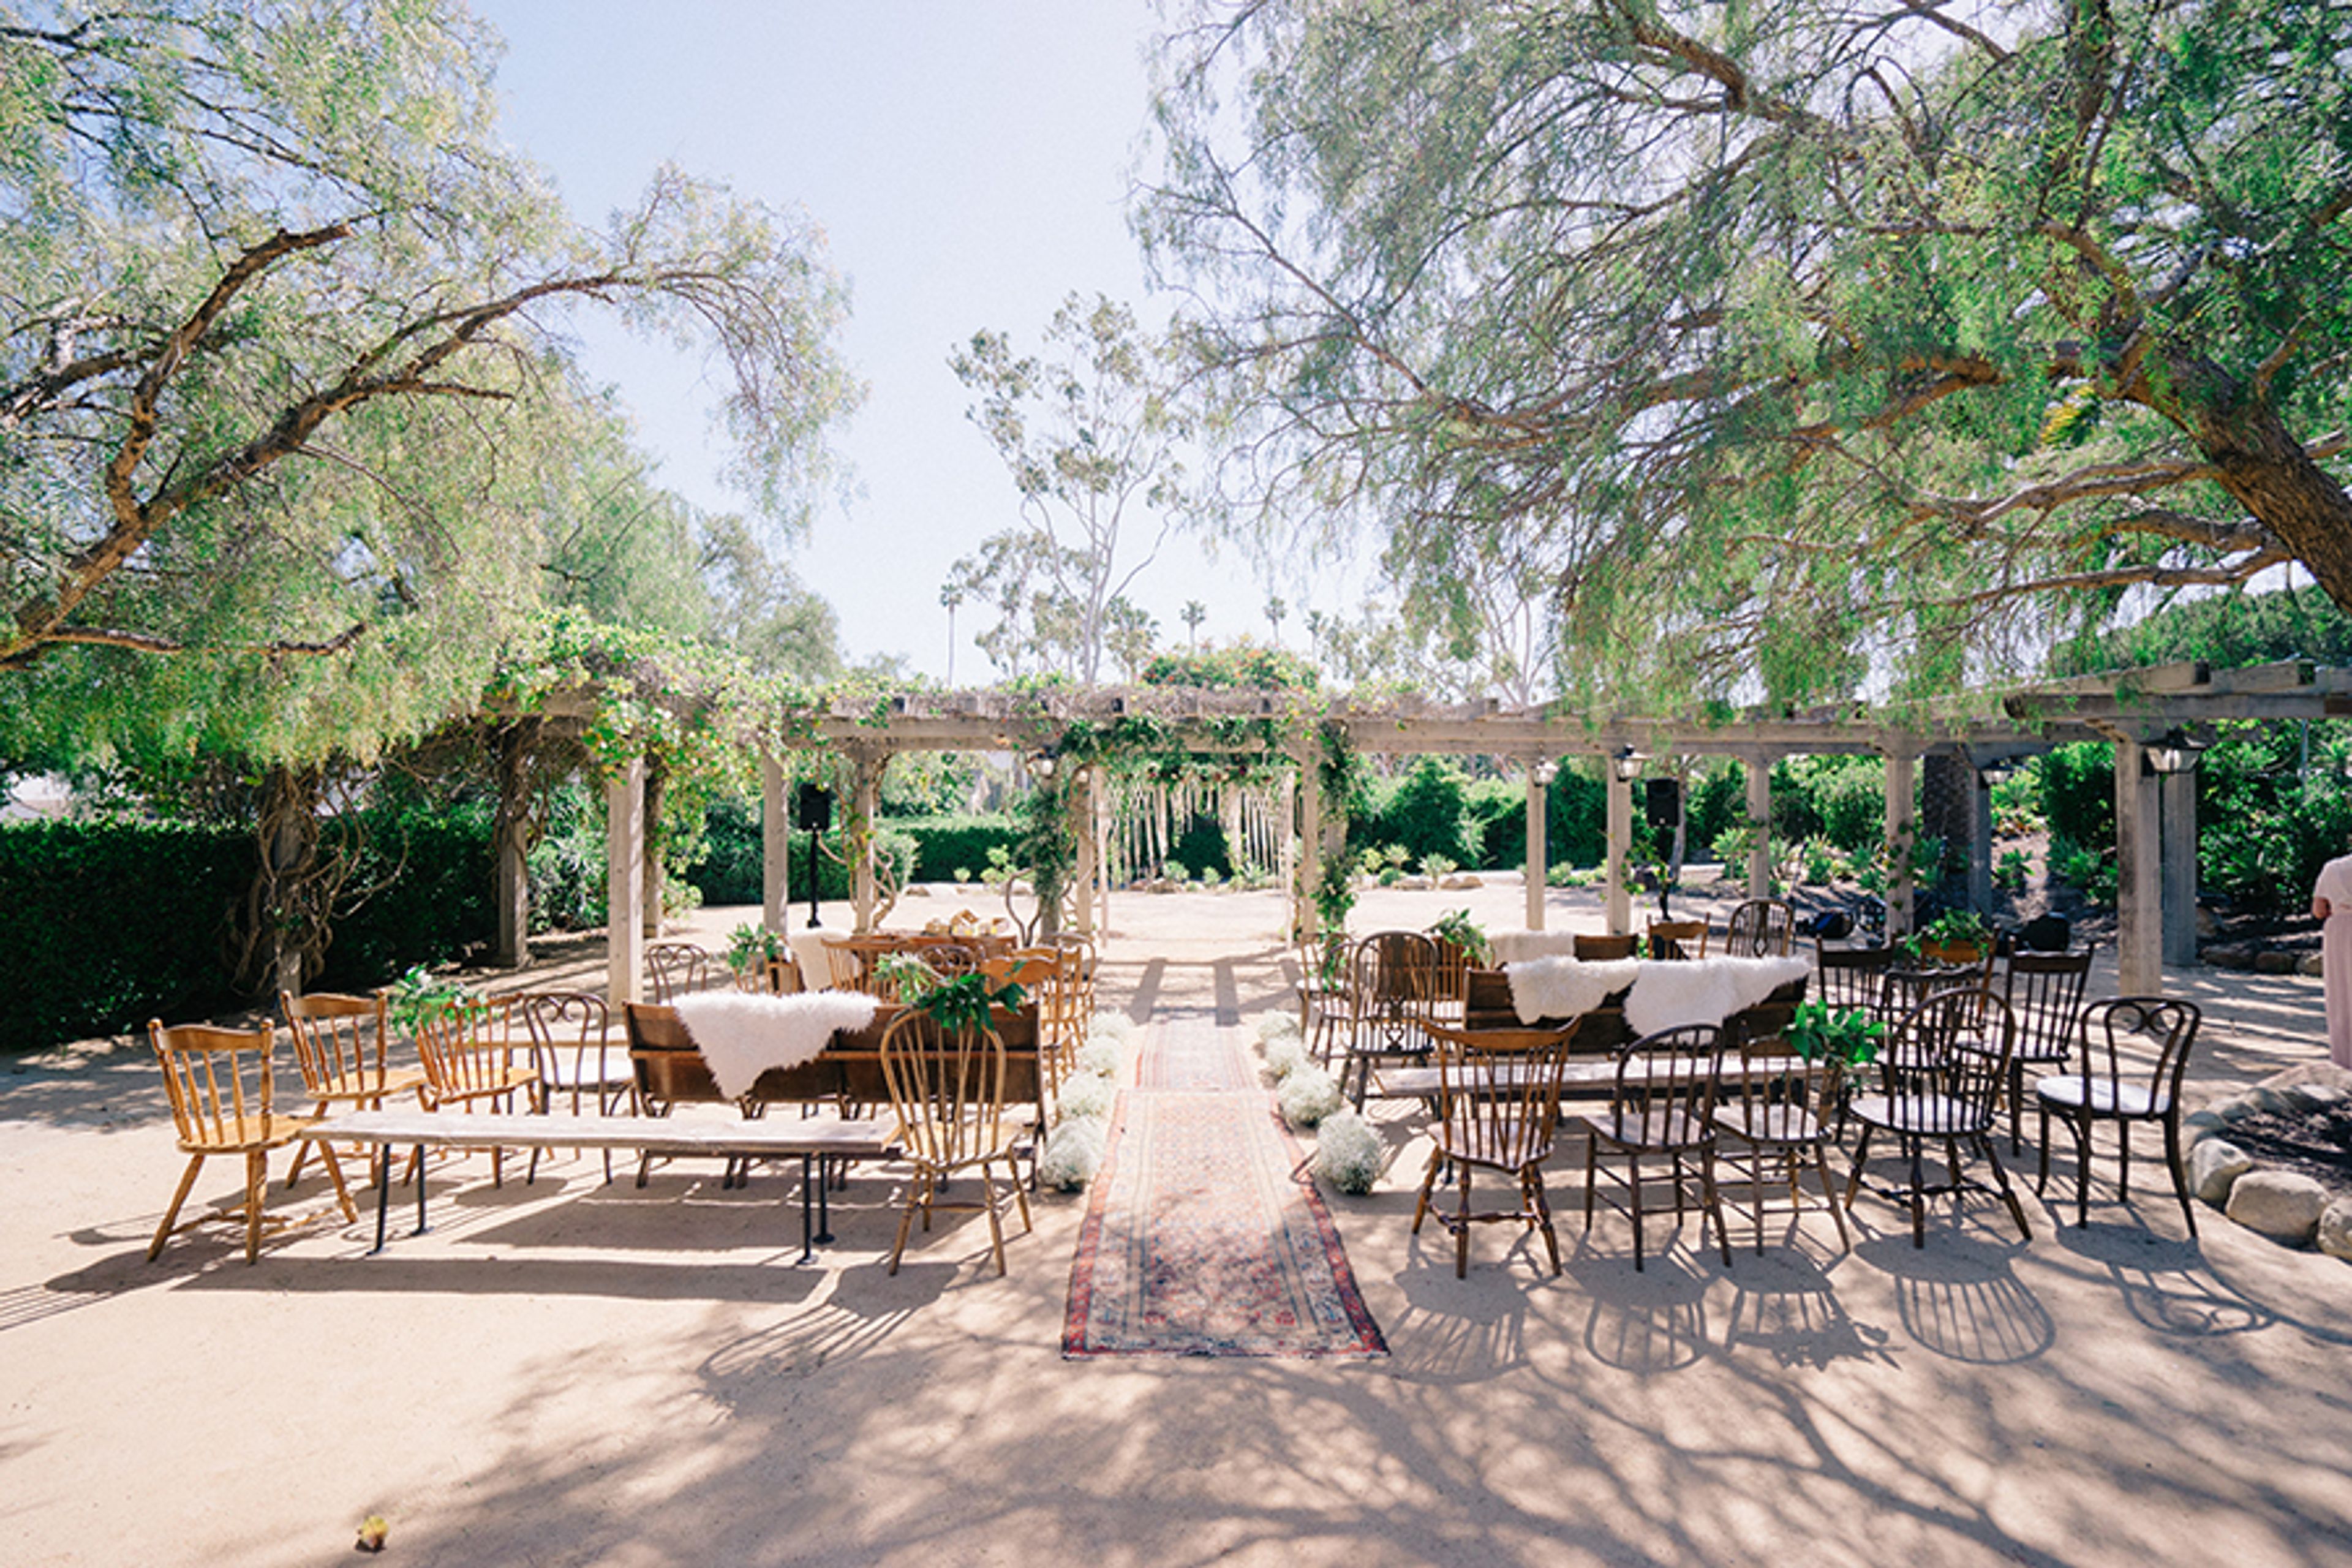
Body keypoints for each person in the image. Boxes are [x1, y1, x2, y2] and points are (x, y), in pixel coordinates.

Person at [2310, 850, 2352, 1068]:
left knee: (2342, 993)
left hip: (2340, 931)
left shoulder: (2333, 868)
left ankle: (2344, 1061)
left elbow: (2318, 911)